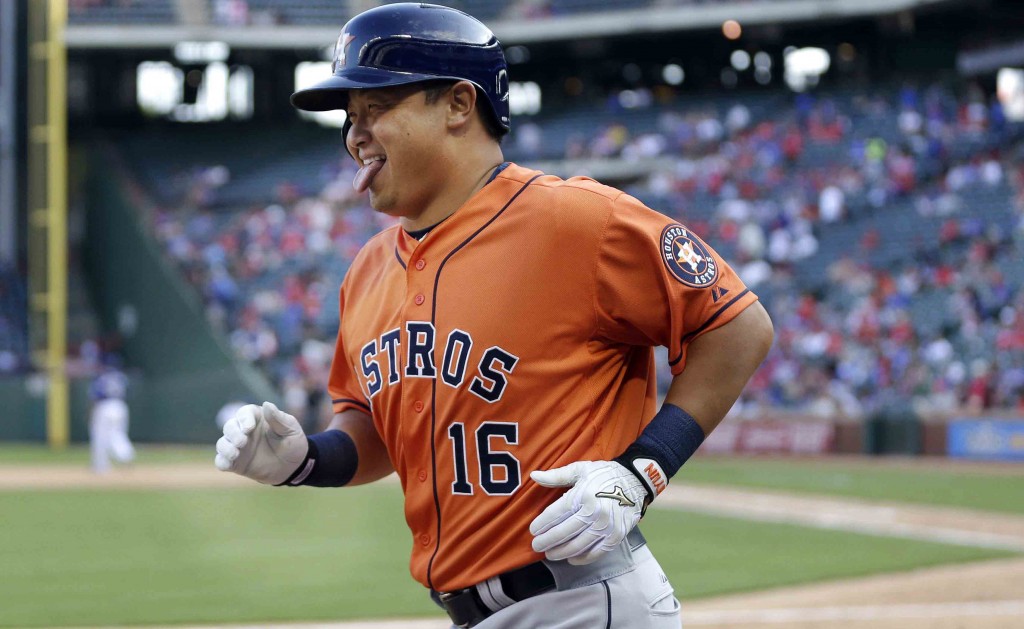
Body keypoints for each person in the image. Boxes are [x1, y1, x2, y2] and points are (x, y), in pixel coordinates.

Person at [214, 4, 774, 628]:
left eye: (377, 110)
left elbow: (737, 325)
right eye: (350, 119)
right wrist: (308, 461)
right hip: (472, 611)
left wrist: (641, 472)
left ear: (459, 104)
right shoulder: (367, 272)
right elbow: (372, 427)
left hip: (581, 601)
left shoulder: (577, 221)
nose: (355, 135)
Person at [89, 362, 135, 474]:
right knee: (118, 433)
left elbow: (95, 395)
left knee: (100, 437)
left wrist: (91, 411)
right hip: (120, 406)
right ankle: (126, 455)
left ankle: (100, 465)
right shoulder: (121, 377)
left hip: (105, 406)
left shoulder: (101, 378)